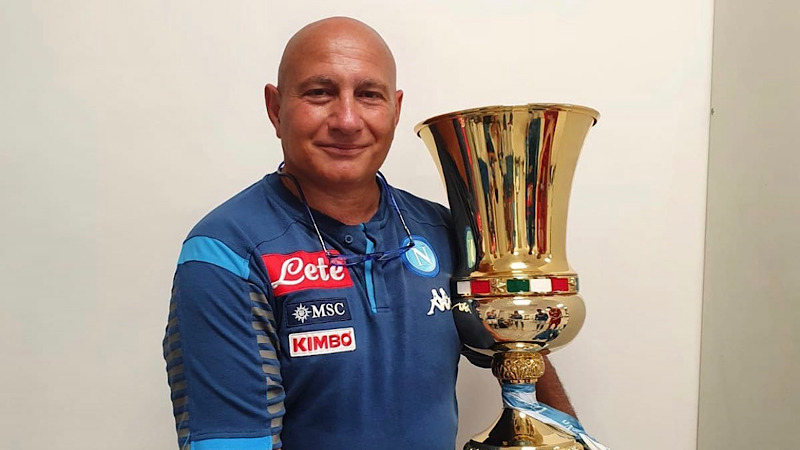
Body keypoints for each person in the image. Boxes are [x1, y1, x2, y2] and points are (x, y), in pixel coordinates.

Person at [163, 17, 574, 450]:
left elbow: (518, 345)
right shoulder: (226, 253)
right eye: (319, 92)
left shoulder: (445, 233)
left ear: (395, 109)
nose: (346, 120)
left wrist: (570, 437)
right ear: (275, 108)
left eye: (369, 95)